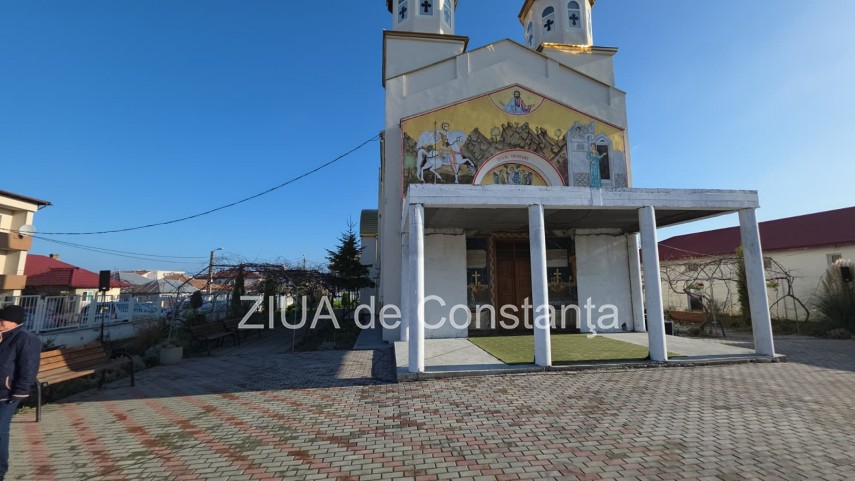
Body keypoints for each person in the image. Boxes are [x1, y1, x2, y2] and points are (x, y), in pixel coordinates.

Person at [0, 306, 41, 481]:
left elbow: (29, 366)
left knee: (0, 431)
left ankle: (0, 471)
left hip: (8, 394)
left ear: (14, 321)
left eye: (2, 321)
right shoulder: (4, 336)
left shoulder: (25, 338)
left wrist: (20, 392)